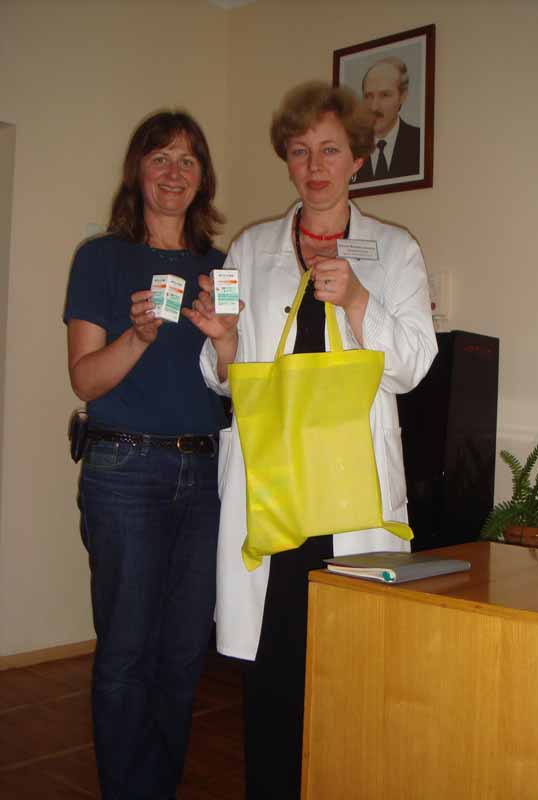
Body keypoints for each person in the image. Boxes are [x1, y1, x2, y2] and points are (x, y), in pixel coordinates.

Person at [187, 81, 437, 800]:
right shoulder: (248, 247)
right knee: (271, 674)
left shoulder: (394, 250)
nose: (314, 165)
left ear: (357, 158)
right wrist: (223, 341)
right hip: (274, 491)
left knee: (347, 676)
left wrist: (357, 299)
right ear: (287, 161)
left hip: (349, 496)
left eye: (330, 150)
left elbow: (414, 366)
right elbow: (224, 377)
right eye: (300, 152)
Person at [63, 110, 227, 800]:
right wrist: (137, 337)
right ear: (138, 170)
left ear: (202, 177)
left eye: (188, 160)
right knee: (127, 651)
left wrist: (226, 340)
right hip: (124, 470)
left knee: (185, 651)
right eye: (160, 157)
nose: (173, 172)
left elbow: (239, 380)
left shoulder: (221, 267)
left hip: (206, 470)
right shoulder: (101, 258)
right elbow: (85, 380)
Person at [355, 57, 421, 182]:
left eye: (385, 95)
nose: (374, 107)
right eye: (368, 96)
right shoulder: (352, 148)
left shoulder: (419, 142)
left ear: (402, 96)